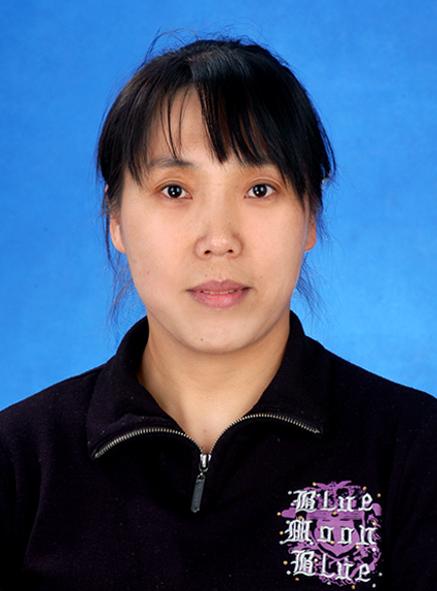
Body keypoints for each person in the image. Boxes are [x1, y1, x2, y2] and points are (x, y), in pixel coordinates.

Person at [0, 35, 436, 591]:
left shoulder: (415, 450)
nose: (219, 239)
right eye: (174, 190)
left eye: (260, 189)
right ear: (116, 218)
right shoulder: (20, 461)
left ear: (310, 214)